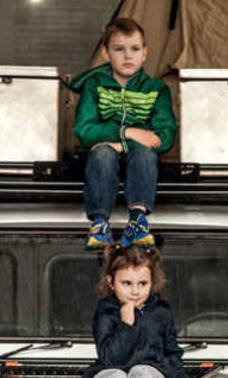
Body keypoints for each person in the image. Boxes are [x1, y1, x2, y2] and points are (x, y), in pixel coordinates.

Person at [70, 17, 177, 250]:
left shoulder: (157, 90)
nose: (128, 56)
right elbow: (84, 130)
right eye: (119, 49)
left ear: (145, 53)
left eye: (135, 49)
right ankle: (99, 223)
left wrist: (122, 144)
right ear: (106, 54)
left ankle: (137, 220)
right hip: (103, 156)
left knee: (145, 153)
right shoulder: (94, 86)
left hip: (139, 157)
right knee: (102, 154)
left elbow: (164, 136)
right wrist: (128, 132)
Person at [84, 245, 191, 378]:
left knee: (140, 373)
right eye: (127, 283)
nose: (135, 291)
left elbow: (172, 350)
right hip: (108, 370)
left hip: (152, 370)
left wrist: (182, 377)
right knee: (117, 376)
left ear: (153, 283)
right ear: (110, 282)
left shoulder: (161, 311)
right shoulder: (105, 310)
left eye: (143, 284)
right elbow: (110, 358)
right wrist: (126, 323)